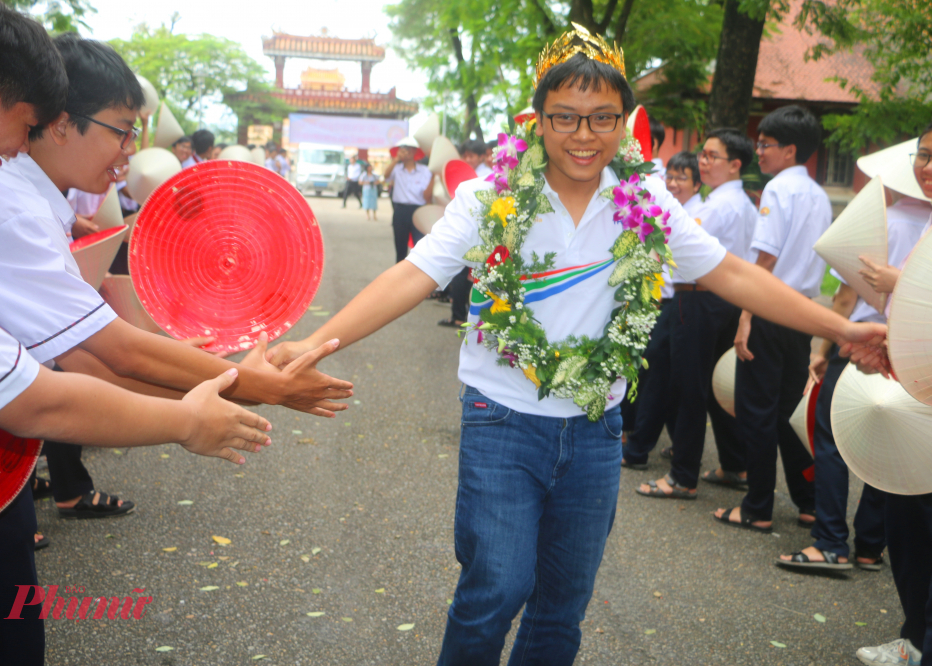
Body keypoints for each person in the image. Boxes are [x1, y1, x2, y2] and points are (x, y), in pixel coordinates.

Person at [264, 27, 887, 664]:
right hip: (501, 420)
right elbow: (412, 274)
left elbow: (731, 273)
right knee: (495, 590)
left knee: (563, 606)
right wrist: (316, 342)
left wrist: (839, 328)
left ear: (624, 123)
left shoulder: (644, 203)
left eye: (602, 119)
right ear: (538, 120)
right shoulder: (491, 198)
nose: (583, 135)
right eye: (565, 117)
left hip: (594, 431)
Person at [0, 5, 268, 664]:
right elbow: (80, 371)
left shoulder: (12, 191)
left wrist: (221, 381)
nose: (133, 153)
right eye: (124, 131)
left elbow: (96, 351)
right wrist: (226, 397)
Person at [0, 33, 353, 521]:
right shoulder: (10, 209)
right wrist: (259, 387)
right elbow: (116, 354)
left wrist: (234, 382)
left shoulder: (29, 202)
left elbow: (93, 364)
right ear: (62, 124)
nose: (131, 150)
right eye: (122, 130)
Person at [852, 118, 932, 666]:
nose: (930, 168)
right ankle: (919, 633)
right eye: (924, 156)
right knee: (904, 506)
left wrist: (903, 284)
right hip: (916, 381)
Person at [713, 105, 832, 533]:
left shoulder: (779, 190)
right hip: (801, 313)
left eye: (766, 145)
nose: (759, 152)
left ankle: (758, 507)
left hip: (770, 309)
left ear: (790, 150)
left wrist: (746, 316)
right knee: (786, 410)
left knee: (756, 411)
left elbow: (764, 260)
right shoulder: (817, 194)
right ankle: (809, 502)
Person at [636, 128, 757, 499]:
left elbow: (678, 245)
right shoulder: (736, 203)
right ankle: (735, 463)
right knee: (713, 387)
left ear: (735, 165)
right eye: (702, 154)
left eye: (712, 157)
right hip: (719, 301)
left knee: (688, 386)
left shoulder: (719, 206)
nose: (703, 162)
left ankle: (682, 475)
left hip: (700, 299)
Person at [619, 150, 701, 466]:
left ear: (697, 184)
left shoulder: (695, 214)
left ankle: (639, 446)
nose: (675, 183)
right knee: (657, 375)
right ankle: (638, 439)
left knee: (659, 378)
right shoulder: (660, 207)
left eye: (683, 178)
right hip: (655, 300)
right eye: (671, 176)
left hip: (673, 302)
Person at [383, 136, 433, 262]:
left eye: (410, 149)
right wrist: (396, 159)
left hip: (418, 210)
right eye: (404, 149)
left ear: (416, 151)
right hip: (400, 210)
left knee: (419, 247)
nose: (407, 151)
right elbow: (386, 176)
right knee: (400, 248)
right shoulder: (396, 169)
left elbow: (427, 193)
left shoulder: (424, 170)